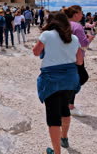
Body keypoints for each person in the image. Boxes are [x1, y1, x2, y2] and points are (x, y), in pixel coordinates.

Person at [32, 12, 83, 154]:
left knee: (53, 117)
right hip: (70, 79)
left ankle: (56, 152)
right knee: (65, 109)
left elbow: (36, 52)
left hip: (52, 80)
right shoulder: (73, 38)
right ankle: (64, 138)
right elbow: (79, 61)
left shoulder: (47, 35)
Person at [63, 5, 94, 117]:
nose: (82, 15)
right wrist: (89, 38)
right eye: (81, 13)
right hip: (76, 57)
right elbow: (84, 44)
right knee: (82, 78)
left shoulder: (64, 24)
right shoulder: (77, 26)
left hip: (64, 56)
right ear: (76, 14)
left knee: (73, 80)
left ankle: (69, 104)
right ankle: (67, 103)